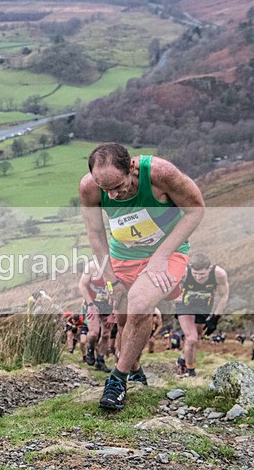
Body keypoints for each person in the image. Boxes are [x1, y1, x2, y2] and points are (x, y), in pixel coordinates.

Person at [79, 142, 204, 410]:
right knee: (123, 318)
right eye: (105, 189)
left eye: (118, 187)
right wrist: (110, 278)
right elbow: (95, 234)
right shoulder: (89, 187)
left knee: (140, 304)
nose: (111, 196)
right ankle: (134, 370)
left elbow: (196, 210)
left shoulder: (160, 174)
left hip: (167, 252)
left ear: (131, 167)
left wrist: (161, 256)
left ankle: (117, 380)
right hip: (122, 256)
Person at [174, 252, 229, 377]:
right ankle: (190, 372)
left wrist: (215, 318)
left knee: (196, 338)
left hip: (204, 307)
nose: (198, 278)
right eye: (195, 274)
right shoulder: (185, 272)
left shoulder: (219, 274)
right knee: (191, 338)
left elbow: (224, 295)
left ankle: (182, 358)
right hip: (185, 305)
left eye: (202, 275)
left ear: (209, 269)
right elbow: (173, 287)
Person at [78, 260, 115, 372]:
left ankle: (100, 360)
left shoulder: (116, 267)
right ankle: (90, 348)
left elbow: (121, 291)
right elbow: (82, 285)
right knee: (94, 333)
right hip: (92, 302)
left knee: (105, 335)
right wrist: (90, 304)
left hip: (109, 305)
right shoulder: (92, 266)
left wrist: (114, 313)